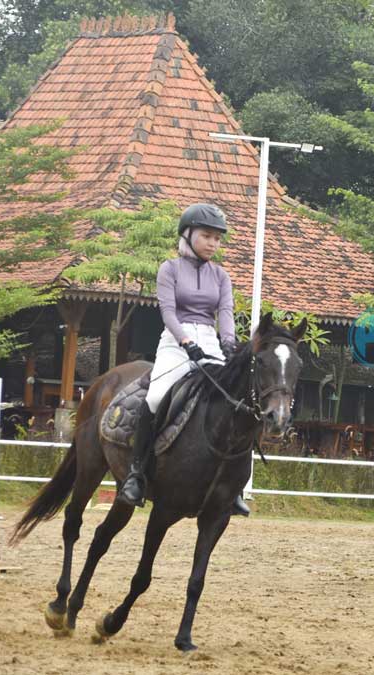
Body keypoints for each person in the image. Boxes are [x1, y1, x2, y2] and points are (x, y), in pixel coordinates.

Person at [117, 203, 249, 517]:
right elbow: (167, 312)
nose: (213, 244)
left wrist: (228, 345)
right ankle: (137, 473)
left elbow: (226, 314)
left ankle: (234, 486)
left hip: (210, 341)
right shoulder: (169, 269)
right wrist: (185, 342)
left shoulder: (221, 275)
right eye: (207, 236)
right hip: (176, 342)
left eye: (218, 238)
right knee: (156, 396)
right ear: (188, 235)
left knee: (234, 400)